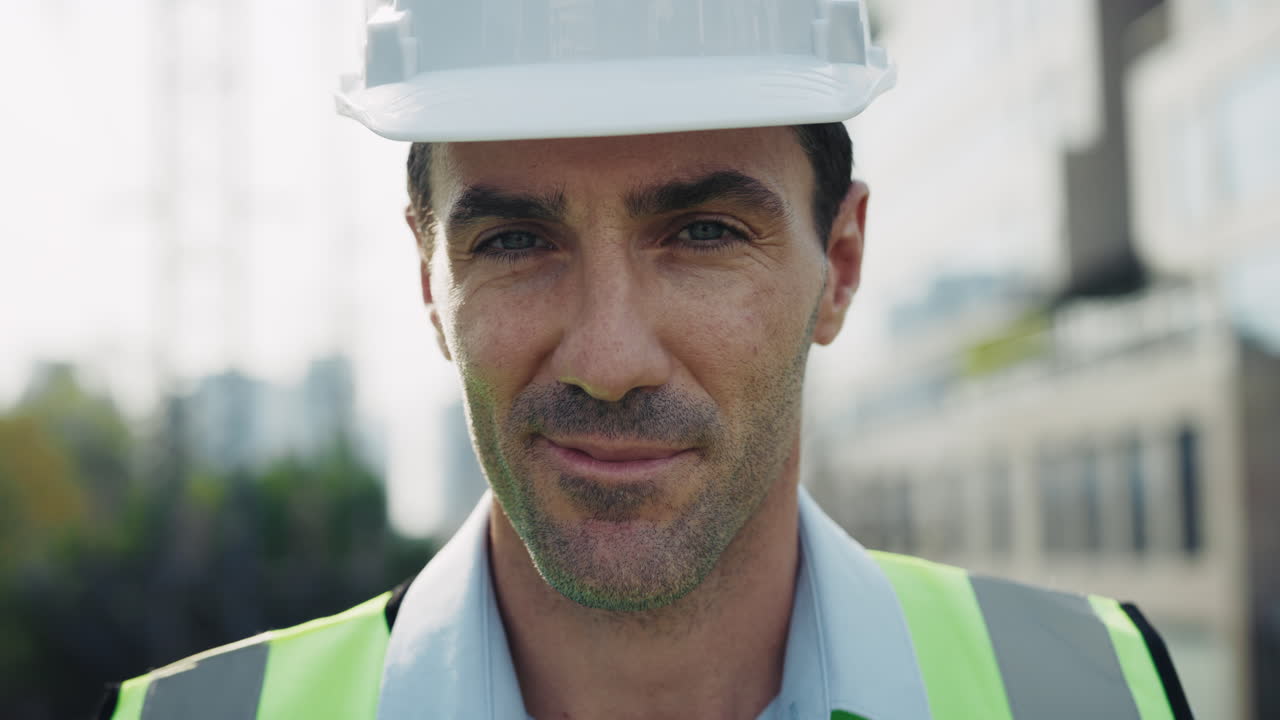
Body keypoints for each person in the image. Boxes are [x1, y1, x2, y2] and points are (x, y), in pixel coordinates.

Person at [100, 2, 1193, 718]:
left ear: (841, 264)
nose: (608, 358)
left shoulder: (1091, 692)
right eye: (516, 242)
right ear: (431, 280)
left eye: (704, 234)